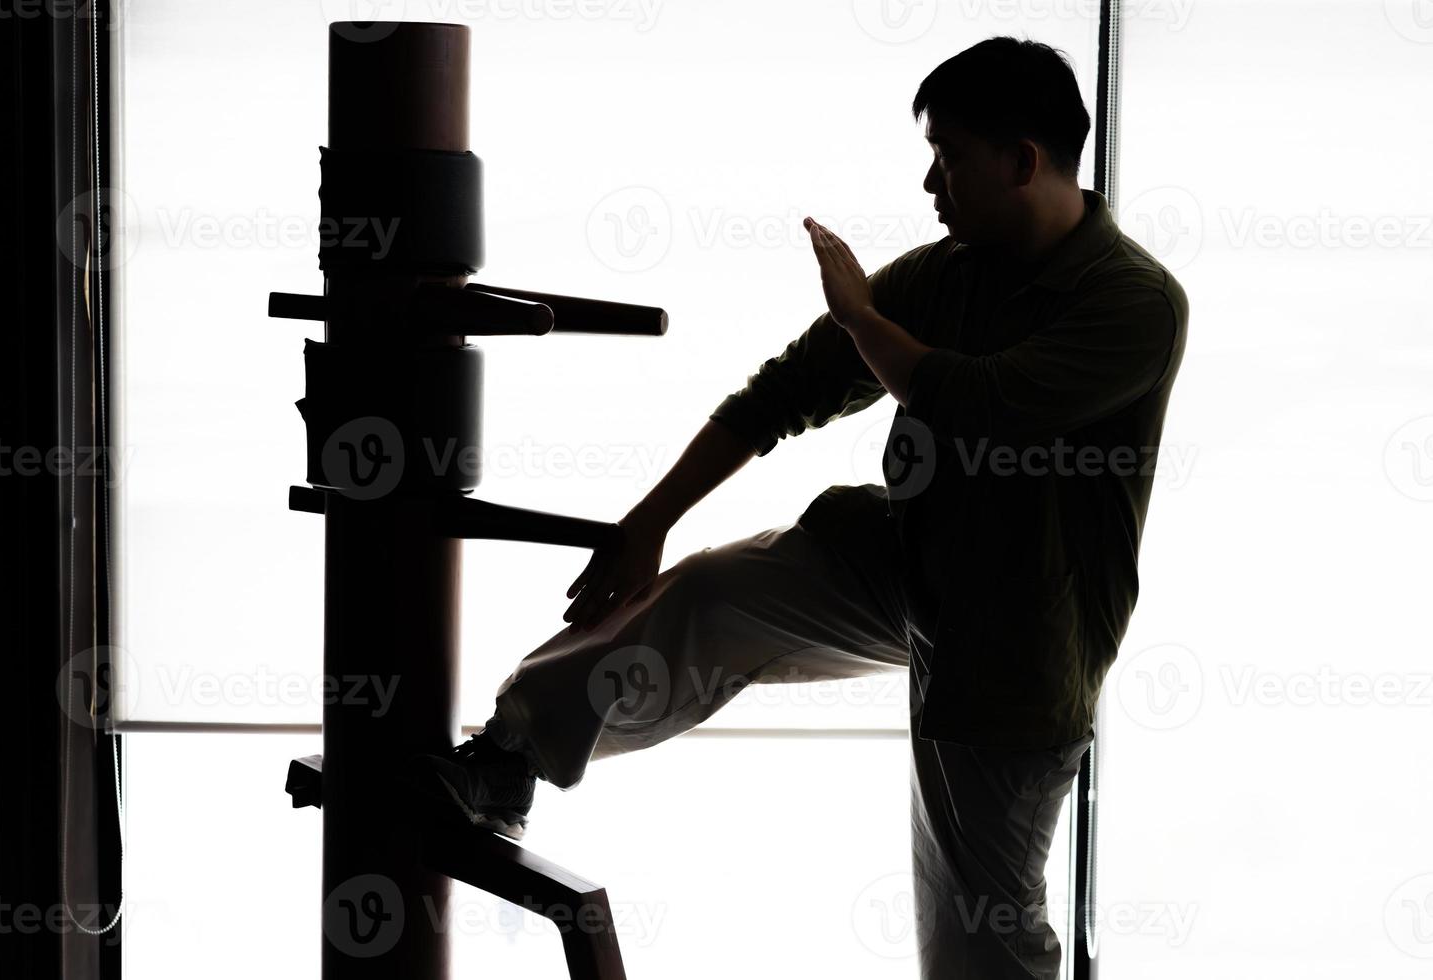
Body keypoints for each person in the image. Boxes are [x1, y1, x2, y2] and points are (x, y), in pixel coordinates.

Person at [407, 35, 1188, 979]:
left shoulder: (1135, 301)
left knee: (979, 943)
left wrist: (863, 317)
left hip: (1019, 648)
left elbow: (975, 398)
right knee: (711, 592)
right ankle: (507, 760)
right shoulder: (948, 273)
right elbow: (779, 397)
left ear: (1023, 161)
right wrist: (651, 521)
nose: (930, 185)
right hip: (906, 565)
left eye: (947, 156)